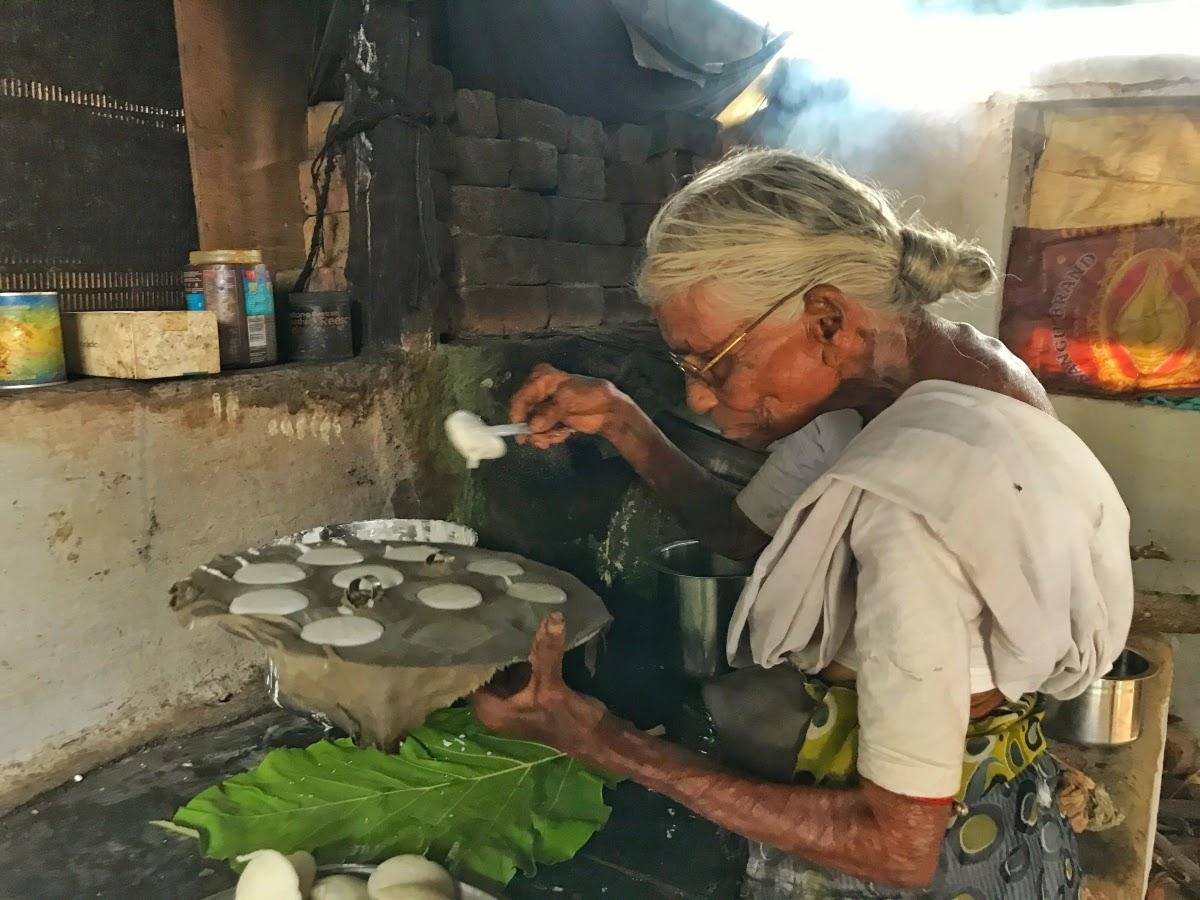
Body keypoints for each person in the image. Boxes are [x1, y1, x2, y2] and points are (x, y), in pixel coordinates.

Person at [471, 150, 1133, 898]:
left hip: (936, 863)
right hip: (1004, 809)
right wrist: (624, 424)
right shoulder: (924, 375)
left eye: (712, 362)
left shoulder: (916, 506)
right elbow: (755, 539)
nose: (697, 398)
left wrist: (603, 741)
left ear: (826, 319)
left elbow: (896, 846)